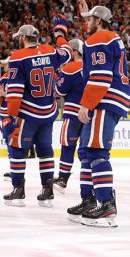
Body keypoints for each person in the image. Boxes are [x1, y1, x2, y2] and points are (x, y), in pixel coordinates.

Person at [66, 0, 130, 227]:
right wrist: (87, 13)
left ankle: (106, 206)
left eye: (90, 20)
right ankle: (88, 199)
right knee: (86, 151)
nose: (86, 24)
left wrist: (87, 103)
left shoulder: (100, 38)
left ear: (100, 21)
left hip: (105, 99)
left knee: (96, 152)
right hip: (112, 98)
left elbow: (101, 76)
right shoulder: (107, 37)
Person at [1, 24, 67, 207]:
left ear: (22, 38)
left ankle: (18, 190)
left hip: (28, 112)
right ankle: (47, 189)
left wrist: (10, 116)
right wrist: (61, 34)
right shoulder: (51, 51)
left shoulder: (18, 57)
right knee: (45, 150)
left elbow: (14, 93)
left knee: (16, 148)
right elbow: (68, 51)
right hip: (48, 111)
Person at [51, 38, 84, 191]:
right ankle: (89, 179)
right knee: (87, 148)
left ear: (75, 52)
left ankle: (63, 177)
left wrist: (59, 75)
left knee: (67, 145)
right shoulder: (92, 66)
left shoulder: (70, 68)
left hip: (72, 112)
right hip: (90, 112)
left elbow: (58, 92)